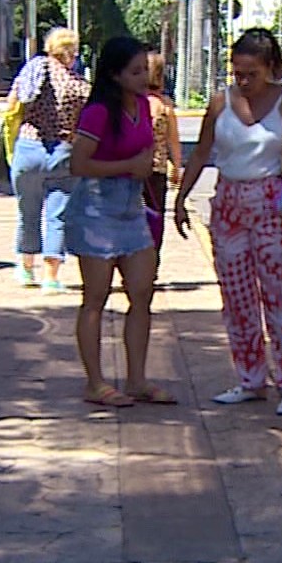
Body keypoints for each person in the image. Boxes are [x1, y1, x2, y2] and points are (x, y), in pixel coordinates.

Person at [172, 28, 282, 416]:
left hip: (272, 202)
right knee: (236, 297)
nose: (244, 81)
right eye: (237, 73)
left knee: (279, 295)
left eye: (252, 73)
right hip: (229, 202)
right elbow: (201, 153)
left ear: (272, 69)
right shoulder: (220, 103)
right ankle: (250, 379)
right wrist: (181, 198)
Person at [64, 36, 171, 407]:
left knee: (142, 291)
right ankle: (95, 382)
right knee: (95, 297)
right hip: (96, 210)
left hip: (131, 209)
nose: (144, 77)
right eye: (135, 71)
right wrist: (128, 167)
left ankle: (137, 378)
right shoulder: (97, 113)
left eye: (146, 69)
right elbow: (78, 164)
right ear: (115, 74)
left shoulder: (144, 106)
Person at [8, 28, 89, 291]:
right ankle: (51, 277)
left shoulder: (33, 72)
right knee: (58, 215)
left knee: (27, 212)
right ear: (73, 52)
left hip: (29, 147)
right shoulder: (80, 86)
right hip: (63, 151)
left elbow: (13, 104)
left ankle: (26, 268)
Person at [144, 52, 183, 253]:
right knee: (155, 215)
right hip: (156, 168)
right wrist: (176, 167)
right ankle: (151, 262)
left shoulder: (129, 102)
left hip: (128, 168)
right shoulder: (164, 106)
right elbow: (173, 141)